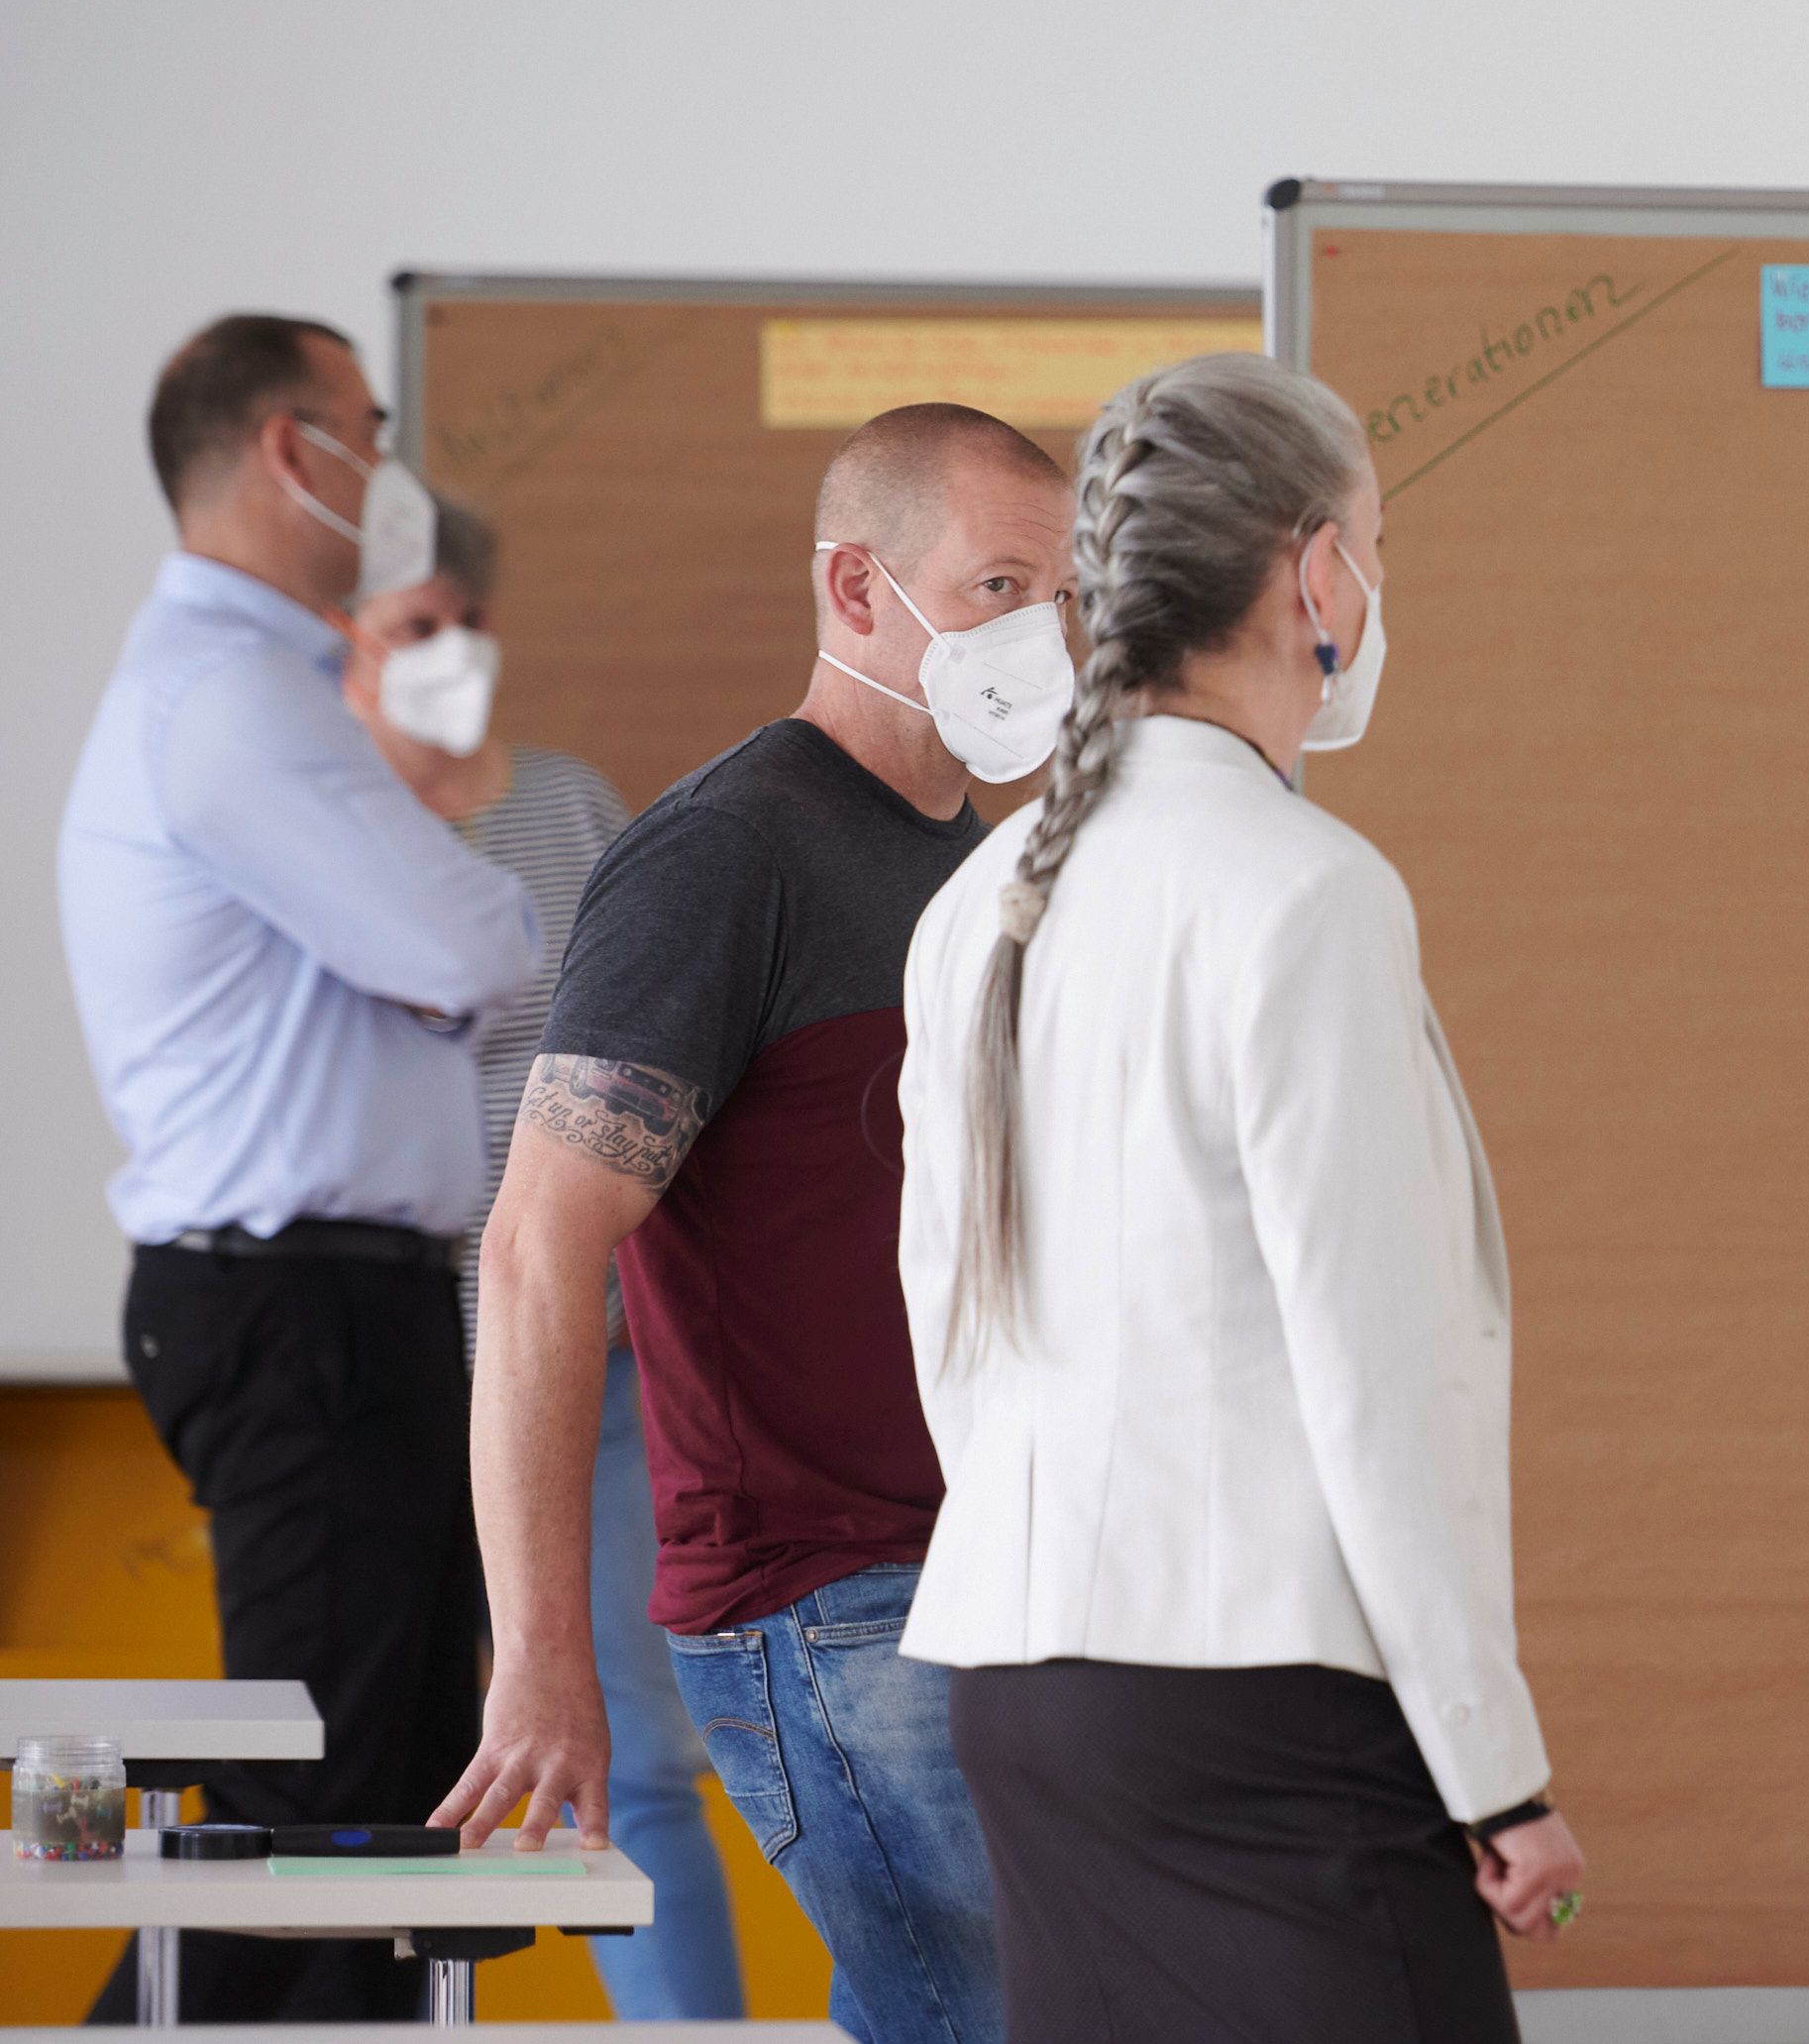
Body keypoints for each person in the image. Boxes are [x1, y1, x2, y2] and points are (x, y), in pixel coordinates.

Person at [897, 354, 1586, 2044]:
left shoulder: (977, 898)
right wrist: (1497, 1772)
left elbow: (946, 1330)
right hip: (1260, 1705)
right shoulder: (1306, 891)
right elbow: (1371, 1381)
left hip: (1024, 1677)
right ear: (1315, 574)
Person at [435, 403, 1079, 2044]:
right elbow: (535, 1245)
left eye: (1063, 594)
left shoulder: (979, 862)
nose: (1043, 634)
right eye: (999, 583)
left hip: (978, 1569)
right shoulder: (721, 855)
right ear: (858, 589)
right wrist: (541, 1656)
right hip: (821, 1598)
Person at [59, 314, 538, 2021]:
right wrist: (428, 932)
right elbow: (478, 942)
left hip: (346, 1308)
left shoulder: (249, 678)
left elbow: (435, 944)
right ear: (289, 450)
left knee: (400, 1828)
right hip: (298, 1307)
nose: (386, 464)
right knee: (304, 1829)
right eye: (368, 424)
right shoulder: (236, 692)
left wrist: (414, 937)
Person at [342, 498, 745, 2022]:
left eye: (463, 620)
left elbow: (668, 1062)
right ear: (343, 646)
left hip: (596, 1364)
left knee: (626, 1751)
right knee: (394, 1740)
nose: (447, 655)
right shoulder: (324, 826)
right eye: (408, 628)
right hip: (391, 1357)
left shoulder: (574, 811)